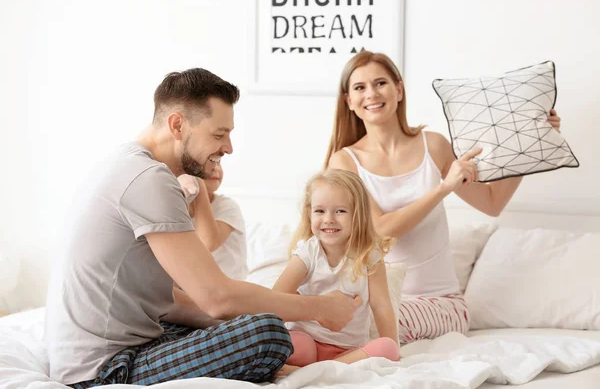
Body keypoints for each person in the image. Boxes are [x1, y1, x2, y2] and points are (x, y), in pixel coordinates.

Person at [44, 68, 361, 387]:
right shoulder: (149, 179)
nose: (228, 148)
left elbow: (165, 297)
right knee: (267, 332)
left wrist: (232, 319)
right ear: (178, 125)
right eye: (218, 134)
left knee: (245, 323)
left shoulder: (126, 163)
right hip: (105, 369)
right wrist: (318, 308)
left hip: (104, 351)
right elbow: (216, 297)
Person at [325, 51, 561, 344]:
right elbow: (381, 230)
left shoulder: (432, 145)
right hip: (377, 301)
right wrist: (442, 189)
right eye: (360, 87)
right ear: (349, 101)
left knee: (367, 326)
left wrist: (529, 143)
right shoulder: (344, 162)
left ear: (399, 89)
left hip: (441, 305)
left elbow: (491, 203)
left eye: (380, 83)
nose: (371, 93)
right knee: (324, 323)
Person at [273, 169, 400, 373]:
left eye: (340, 211)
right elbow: (276, 297)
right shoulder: (308, 252)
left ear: (357, 215)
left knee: (387, 347)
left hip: (350, 350)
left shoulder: (369, 256)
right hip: (308, 342)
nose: (329, 219)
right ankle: (325, 368)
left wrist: (393, 346)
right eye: (320, 211)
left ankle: (316, 370)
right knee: (295, 345)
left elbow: (382, 305)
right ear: (309, 213)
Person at [178, 164, 248, 280]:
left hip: (229, 285)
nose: (216, 168)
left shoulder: (227, 206)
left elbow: (207, 243)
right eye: (206, 163)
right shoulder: (177, 207)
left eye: (218, 161)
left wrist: (199, 186)